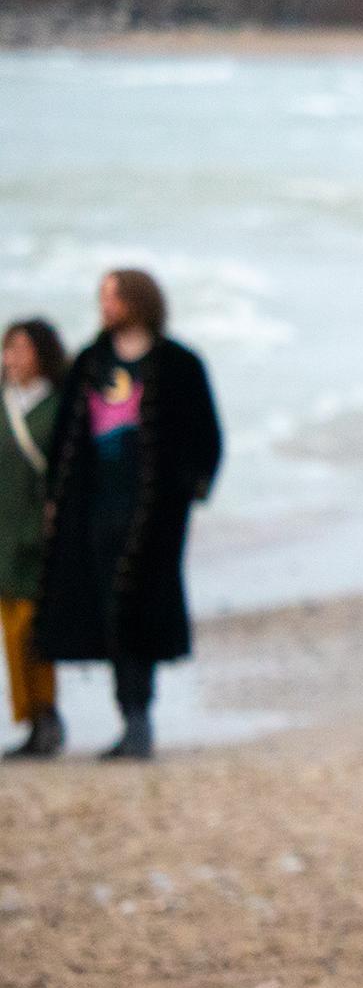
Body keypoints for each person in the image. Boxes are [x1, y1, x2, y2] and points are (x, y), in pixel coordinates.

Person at [35, 269, 222, 760]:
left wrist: (192, 490)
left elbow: (206, 434)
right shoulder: (89, 363)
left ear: (137, 300)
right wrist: (54, 497)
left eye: (112, 296)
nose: (104, 305)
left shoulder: (179, 364)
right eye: (101, 296)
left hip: (155, 514)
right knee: (104, 609)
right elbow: (63, 441)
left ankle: (139, 718)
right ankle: (130, 719)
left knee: (142, 606)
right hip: (93, 509)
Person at [2, 319, 66, 760]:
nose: (12, 358)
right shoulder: (3, 405)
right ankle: (32, 719)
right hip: (3, 533)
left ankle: (45, 715)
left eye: (22, 350)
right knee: (11, 628)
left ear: (42, 355)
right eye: (8, 349)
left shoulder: (58, 407)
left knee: (33, 626)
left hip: (40, 531)